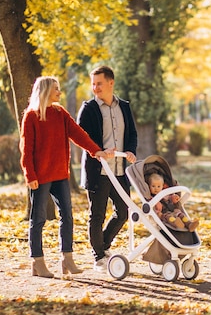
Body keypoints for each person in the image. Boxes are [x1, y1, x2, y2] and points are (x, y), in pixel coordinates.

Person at [20, 76, 109, 278]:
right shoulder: (32, 116)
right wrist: (30, 174)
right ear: (44, 91)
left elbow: (78, 134)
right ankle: (37, 262)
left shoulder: (60, 113)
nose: (59, 92)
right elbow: (26, 150)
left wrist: (96, 151)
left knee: (67, 216)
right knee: (39, 218)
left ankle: (67, 259)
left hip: (60, 174)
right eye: (56, 89)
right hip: (40, 176)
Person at [77, 65, 138, 271]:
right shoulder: (89, 108)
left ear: (111, 83)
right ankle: (99, 257)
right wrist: (100, 151)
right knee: (97, 215)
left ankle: (102, 246)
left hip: (119, 170)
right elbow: (83, 138)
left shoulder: (124, 107)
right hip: (99, 171)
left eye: (99, 83)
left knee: (123, 212)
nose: (95, 88)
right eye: (93, 84)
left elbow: (132, 134)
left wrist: (130, 150)